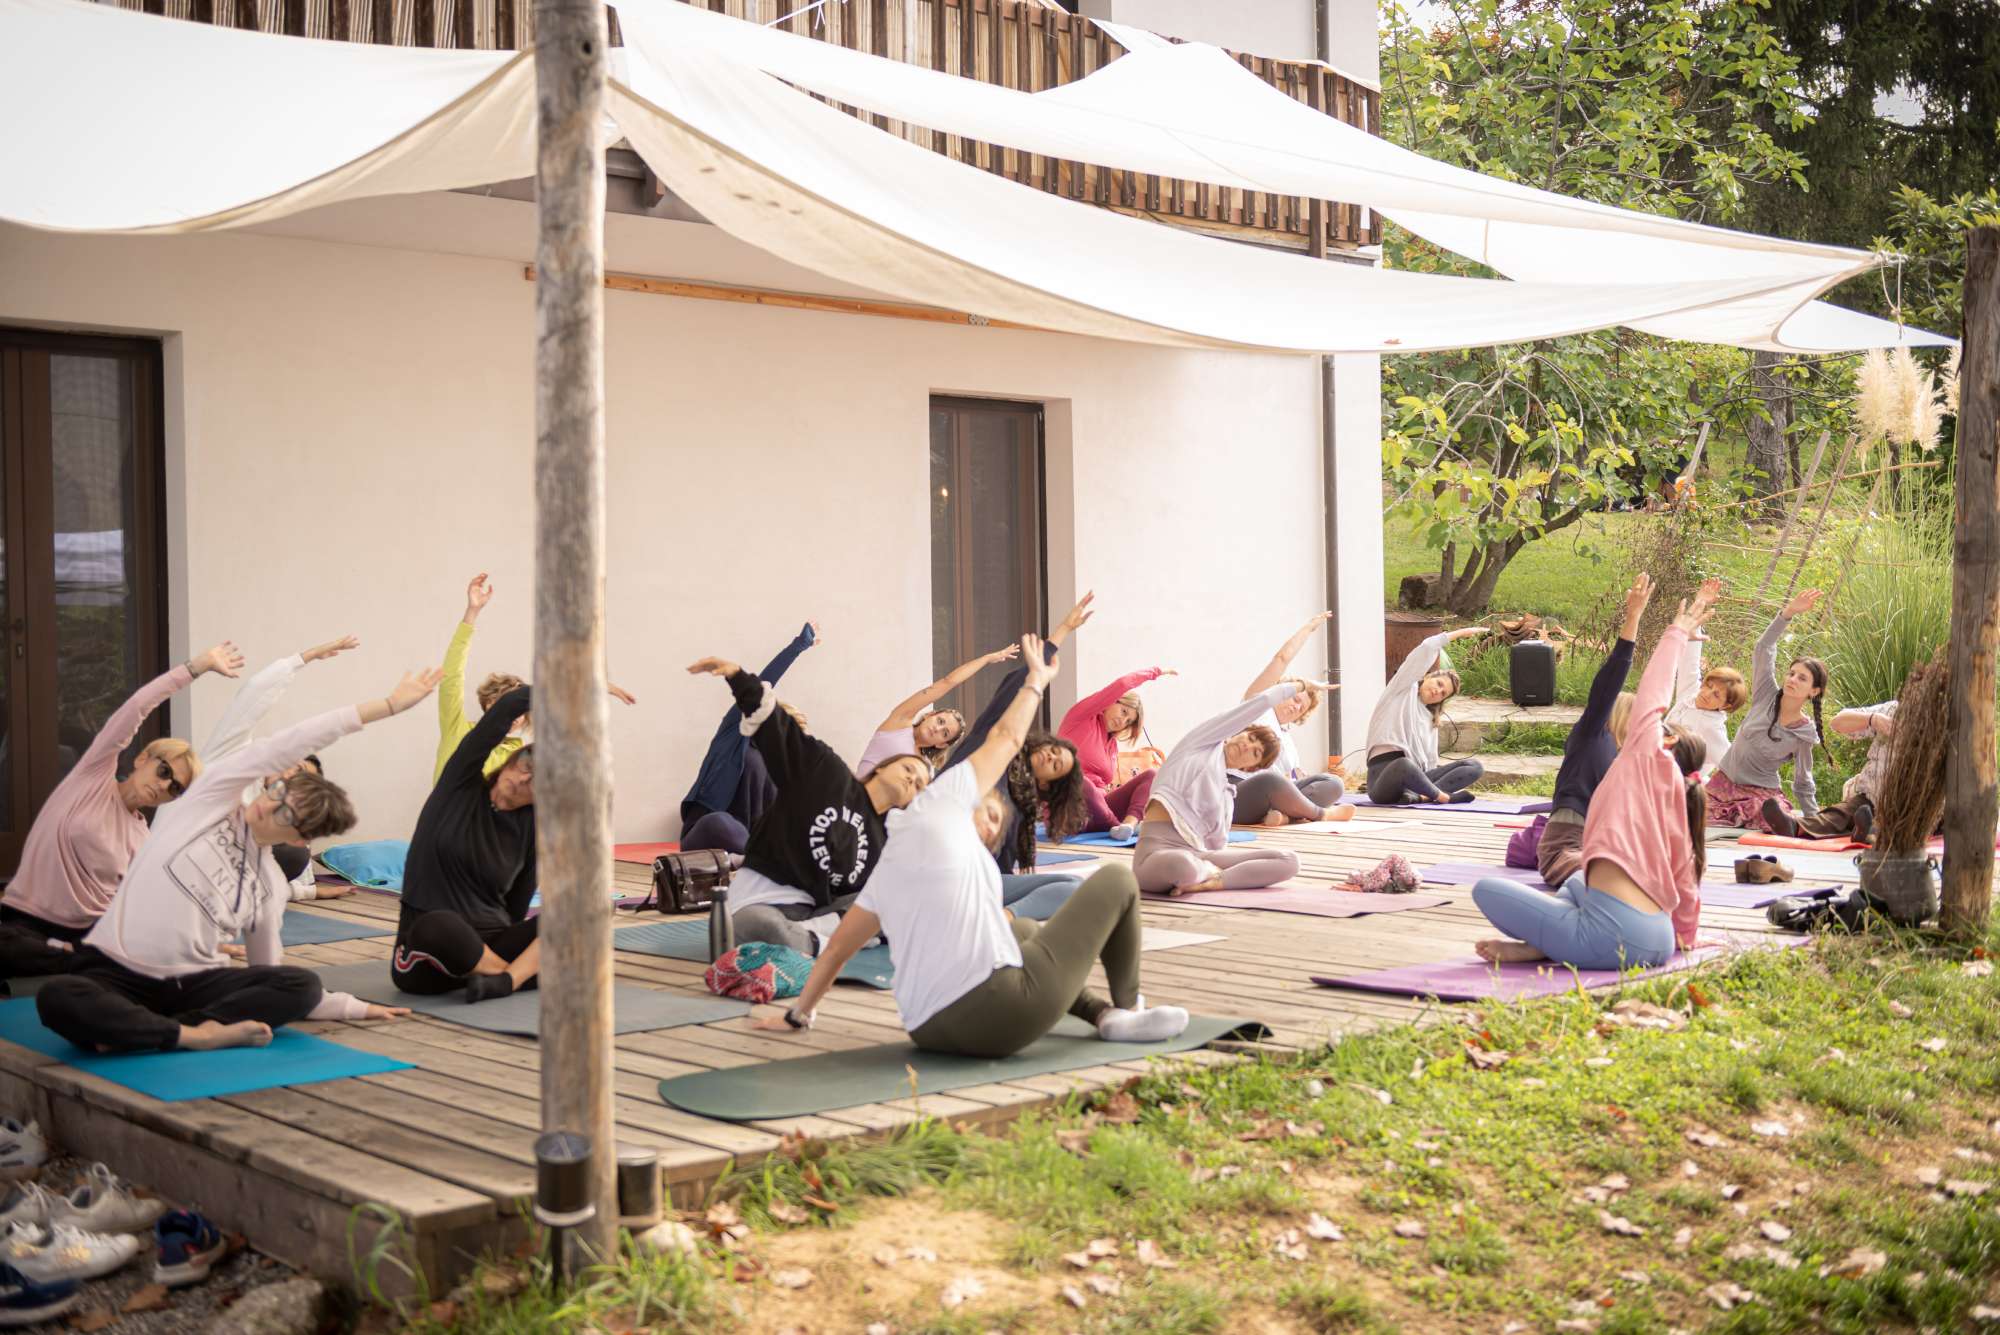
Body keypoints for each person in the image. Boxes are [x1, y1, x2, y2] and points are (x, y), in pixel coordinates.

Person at [757, 634, 1189, 1056]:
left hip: (929, 1031)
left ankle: (1102, 1016)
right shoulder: (941, 804)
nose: (995, 817)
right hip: (998, 1015)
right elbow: (1004, 736)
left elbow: (836, 951)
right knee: (1116, 877)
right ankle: (1130, 1011)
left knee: (1021, 930)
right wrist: (1035, 680)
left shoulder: (890, 863)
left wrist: (799, 1015)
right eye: (913, 771)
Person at [33, 671, 430, 1053]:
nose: (268, 805)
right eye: (278, 791)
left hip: (191, 984)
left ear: (299, 838)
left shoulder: (269, 885)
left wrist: (354, 1008)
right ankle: (191, 1036)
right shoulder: (211, 801)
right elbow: (292, 740)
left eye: (286, 815)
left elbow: (269, 972)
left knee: (301, 984)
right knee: (58, 996)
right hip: (115, 971)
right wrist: (387, 706)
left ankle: (148, 1030)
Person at [1471, 591, 1714, 972]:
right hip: (1660, 939)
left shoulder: (1637, 759)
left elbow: (1653, 695)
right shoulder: (1673, 792)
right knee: (1575, 885)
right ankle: (1544, 943)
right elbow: (1685, 878)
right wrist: (1686, 937)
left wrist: (1676, 634)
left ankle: (1547, 944)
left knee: (1485, 889)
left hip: (1611, 941)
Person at [0, 641, 244, 982]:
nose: (164, 786)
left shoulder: (141, 837)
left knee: (126, 946)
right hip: (25, 918)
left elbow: (143, 904)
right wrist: (197, 667)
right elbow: (136, 707)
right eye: (164, 772)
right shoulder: (92, 778)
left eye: (176, 788)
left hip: (92, 931)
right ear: (143, 759)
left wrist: (195, 941)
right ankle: (84, 961)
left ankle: (83, 959)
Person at [684, 653, 928, 957]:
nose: (912, 780)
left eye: (919, 784)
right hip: (759, 904)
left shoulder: (881, 841)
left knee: (892, 897)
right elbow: (780, 731)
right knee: (758, 925)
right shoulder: (828, 773)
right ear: (882, 766)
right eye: (908, 769)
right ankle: (821, 943)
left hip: (812, 916)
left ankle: (811, 939)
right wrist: (738, 677)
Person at [392, 686, 541, 1003]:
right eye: (526, 764)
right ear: (513, 759)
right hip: (430, 956)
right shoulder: (458, 787)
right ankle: (515, 977)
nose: (523, 778)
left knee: (589, 909)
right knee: (438, 925)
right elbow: (508, 706)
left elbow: (518, 903)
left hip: (493, 937)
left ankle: (503, 980)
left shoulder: (531, 829)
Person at [941, 594, 1098, 870]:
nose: (1049, 756)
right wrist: (1062, 631)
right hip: (937, 847)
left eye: (1056, 763)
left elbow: (1000, 870)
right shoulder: (992, 744)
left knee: (1066, 886)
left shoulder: (1019, 813)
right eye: (1052, 750)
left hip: (970, 879)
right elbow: (1013, 694)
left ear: (1048, 783)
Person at [199, 636, 362, 900]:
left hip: (216, 893)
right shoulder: (230, 765)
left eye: (300, 781)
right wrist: (305, 657)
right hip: (169, 873)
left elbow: (271, 880)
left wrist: (309, 892)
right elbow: (251, 698)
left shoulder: (275, 820)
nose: (290, 778)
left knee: (292, 854)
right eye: (294, 767)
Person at [1132, 682, 1332, 896]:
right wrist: (1301, 685)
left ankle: (1214, 881)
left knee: (1289, 860)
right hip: (1155, 855)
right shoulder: (1200, 745)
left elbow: (1216, 846)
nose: (1247, 745)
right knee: (1185, 866)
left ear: (1250, 767)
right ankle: (1206, 874)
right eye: (1251, 738)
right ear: (1238, 733)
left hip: (1198, 855)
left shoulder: (1227, 796)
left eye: (1255, 753)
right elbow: (1260, 703)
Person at [438, 573, 636, 785]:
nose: (515, 716)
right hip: (445, 816)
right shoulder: (457, 728)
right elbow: (452, 675)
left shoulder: (517, 756)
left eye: (520, 712)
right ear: (489, 703)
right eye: (507, 704)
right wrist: (472, 612)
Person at [1539, 575, 1659, 887]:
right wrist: (1633, 617)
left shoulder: (1621, 757)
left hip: (1599, 845)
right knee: (1607, 878)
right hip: (1564, 848)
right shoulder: (1593, 733)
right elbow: (1611, 677)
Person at [679, 621, 817, 856]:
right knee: (720, 823)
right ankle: (764, 861)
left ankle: (757, 861)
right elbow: (763, 682)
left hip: (751, 845)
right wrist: (798, 646)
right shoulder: (736, 736)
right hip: (711, 835)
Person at [1704, 590, 1827, 832]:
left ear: (1813, 691)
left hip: (1761, 795)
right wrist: (1788, 613)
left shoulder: (1803, 734)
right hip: (1722, 786)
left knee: (1766, 814)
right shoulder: (1766, 694)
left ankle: (1792, 824)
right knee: (1686, 810)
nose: (1792, 679)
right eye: (1791, 673)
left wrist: (1813, 821)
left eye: (1802, 678)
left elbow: (1803, 782)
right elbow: (1764, 648)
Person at [1231, 612, 1354, 827]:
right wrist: (1309, 628)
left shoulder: (1287, 740)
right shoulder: (1257, 706)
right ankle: (1317, 814)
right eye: (1295, 698)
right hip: (1238, 791)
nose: (1296, 706)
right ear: (1281, 692)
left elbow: (1294, 779)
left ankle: (1284, 817)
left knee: (1333, 783)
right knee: (1271, 781)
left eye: (1301, 707)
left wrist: (1295, 778)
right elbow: (1281, 659)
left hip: (1273, 797)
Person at [1364, 626, 1488, 804]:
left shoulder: (1430, 719)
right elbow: (1426, 649)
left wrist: (1425, 781)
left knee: (1475, 766)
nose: (1438, 691)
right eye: (1438, 683)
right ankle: (1442, 797)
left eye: (1443, 693)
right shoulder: (1401, 690)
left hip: (1415, 783)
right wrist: (1460, 633)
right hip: (1384, 781)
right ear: (1427, 677)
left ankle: (1422, 796)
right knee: (1404, 764)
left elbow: (1430, 762)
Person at [856, 643, 1021, 777]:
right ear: (929, 715)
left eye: (945, 733)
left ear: (941, 744)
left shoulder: (924, 769)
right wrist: (986, 659)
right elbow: (948, 682)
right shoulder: (899, 721)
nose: (937, 728)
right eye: (940, 721)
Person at [1055, 663, 1172, 835]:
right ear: (1111, 701)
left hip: (1098, 810)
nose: (1122, 722)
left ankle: (1128, 825)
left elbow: (1104, 786)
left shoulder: (1112, 745)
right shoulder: (1083, 717)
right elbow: (1122, 684)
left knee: (1152, 775)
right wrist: (1156, 672)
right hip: (1069, 809)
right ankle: (1115, 823)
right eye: (1123, 712)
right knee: (1079, 780)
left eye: (1128, 721)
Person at [1761, 699, 1897, 842]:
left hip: (1905, 812)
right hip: (1869, 800)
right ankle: (1794, 827)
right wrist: (1872, 719)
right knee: (1839, 814)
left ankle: (1867, 831)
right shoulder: (1892, 710)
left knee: (1887, 824)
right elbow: (1837, 723)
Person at [1665, 614, 1748, 778]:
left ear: (1725, 706)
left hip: (1676, 784)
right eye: (1709, 686)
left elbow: (1732, 765)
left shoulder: (1712, 728)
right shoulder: (1691, 693)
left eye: (1716, 695)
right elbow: (1690, 662)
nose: (1706, 694)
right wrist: (1696, 620)